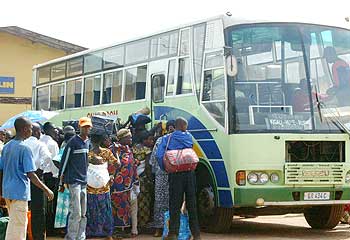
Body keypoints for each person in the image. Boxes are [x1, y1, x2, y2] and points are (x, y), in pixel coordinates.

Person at [0, 117, 54, 240]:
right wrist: (46, 189)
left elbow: (1, 170)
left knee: (13, 225)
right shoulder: (24, 149)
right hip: (19, 192)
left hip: (8, 192)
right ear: (24, 129)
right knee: (19, 228)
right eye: (30, 129)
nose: (31, 131)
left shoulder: (7, 147)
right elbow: (31, 174)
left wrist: (1, 191)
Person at [156, 117, 201, 240]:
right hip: (190, 173)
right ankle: (196, 234)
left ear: (175, 126)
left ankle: (173, 233)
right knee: (192, 204)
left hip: (176, 174)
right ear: (184, 126)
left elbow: (159, 155)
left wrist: (167, 168)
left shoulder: (167, 138)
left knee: (175, 204)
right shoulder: (188, 137)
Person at [59, 117, 92, 240]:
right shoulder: (72, 142)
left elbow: (87, 162)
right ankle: (71, 237)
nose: (86, 129)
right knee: (76, 212)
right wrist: (61, 182)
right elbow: (64, 161)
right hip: (73, 181)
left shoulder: (88, 142)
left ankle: (80, 236)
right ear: (80, 128)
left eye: (88, 127)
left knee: (83, 213)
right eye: (84, 127)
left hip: (84, 181)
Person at [86, 133, 120, 240]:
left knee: (91, 209)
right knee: (105, 209)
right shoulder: (107, 152)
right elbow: (117, 164)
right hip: (104, 187)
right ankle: (107, 233)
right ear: (101, 141)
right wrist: (117, 154)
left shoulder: (87, 154)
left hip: (90, 187)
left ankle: (91, 232)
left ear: (91, 141)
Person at [23, 123, 52, 240]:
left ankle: (25, 234)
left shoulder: (22, 144)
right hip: (37, 178)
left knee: (24, 208)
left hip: (23, 180)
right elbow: (48, 157)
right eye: (40, 131)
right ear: (36, 132)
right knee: (38, 210)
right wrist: (41, 168)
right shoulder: (40, 144)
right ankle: (37, 236)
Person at [109, 128, 138, 238]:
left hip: (128, 185)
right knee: (117, 206)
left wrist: (135, 181)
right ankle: (116, 230)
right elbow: (111, 166)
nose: (131, 139)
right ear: (122, 138)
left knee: (125, 207)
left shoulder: (128, 149)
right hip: (116, 185)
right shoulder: (113, 150)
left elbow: (132, 165)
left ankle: (123, 229)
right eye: (128, 137)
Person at [149, 120, 175, 237]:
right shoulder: (180, 140)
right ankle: (173, 228)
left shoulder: (160, 140)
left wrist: (155, 174)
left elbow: (153, 160)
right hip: (175, 174)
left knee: (160, 201)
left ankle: (159, 229)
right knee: (174, 201)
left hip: (161, 174)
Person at [131, 130, 154, 235]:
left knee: (135, 202)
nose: (152, 141)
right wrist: (150, 179)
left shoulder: (132, 148)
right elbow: (148, 167)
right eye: (150, 139)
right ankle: (143, 225)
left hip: (133, 179)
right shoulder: (147, 150)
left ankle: (135, 224)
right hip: (143, 179)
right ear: (144, 140)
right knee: (145, 201)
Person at [40, 122, 60, 235]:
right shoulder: (52, 143)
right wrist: (57, 176)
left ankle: (44, 228)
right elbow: (55, 162)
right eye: (53, 129)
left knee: (43, 204)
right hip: (51, 176)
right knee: (51, 204)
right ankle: (50, 229)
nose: (55, 131)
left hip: (41, 175)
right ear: (48, 130)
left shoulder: (39, 141)